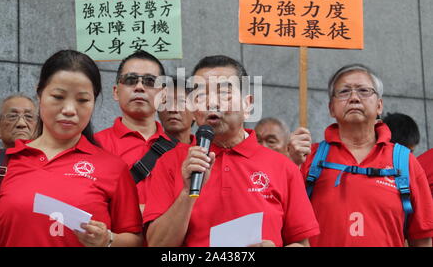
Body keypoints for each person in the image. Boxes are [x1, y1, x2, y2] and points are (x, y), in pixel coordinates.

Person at [143, 55, 319, 247]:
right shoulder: (171, 162)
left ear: (248, 105)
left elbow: (301, 243)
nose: (212, 102)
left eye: (224, 94)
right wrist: (187, 192)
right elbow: (157, 245)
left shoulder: (283, 166)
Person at [0, 50, 143, 247]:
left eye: (83, 100)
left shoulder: (114, 169)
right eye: (58, 97)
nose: (69, 109)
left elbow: (135, 240)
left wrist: (108, 239)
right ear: (39, 94)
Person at [289, 64, 433, 247]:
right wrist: (291, 163)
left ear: (379, 105)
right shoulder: (310, 158)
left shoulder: (405, 161)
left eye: (364, 91)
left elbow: (422, 238)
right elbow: (288, 225)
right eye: (344, 92)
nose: (354, 98)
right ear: (331, 108)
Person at [95, 50, 173, 210]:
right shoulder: (94, 145)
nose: (139, 87)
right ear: (116, 92)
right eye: (130, 80)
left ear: (164, 96)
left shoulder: (179, 150)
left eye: (150, 81)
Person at [158, 76, 195, 145]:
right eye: (167, 102)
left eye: (181, 102)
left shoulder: (207, 152)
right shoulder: (145, 150)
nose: (173, 109)